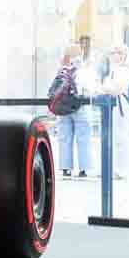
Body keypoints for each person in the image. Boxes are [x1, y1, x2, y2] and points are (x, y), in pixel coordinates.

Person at [98, 43, 129, 180]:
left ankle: (120, 169)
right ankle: (110, 168)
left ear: (122, 55)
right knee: (111, 137)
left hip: (120, 107)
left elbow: (117, 89)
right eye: (112, 52)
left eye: (116, 52)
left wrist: (105, 86)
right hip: (112, 106)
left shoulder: (124, 71)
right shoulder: (112, 70)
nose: (113, 55)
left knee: (120, 138)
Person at [51, 45, 94, 180]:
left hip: (63, 108)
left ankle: (66, 168)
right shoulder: (84, 70)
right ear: (79, 54)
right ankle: (83, 169)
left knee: (64, 137)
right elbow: (90, 88)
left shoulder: (60, 70)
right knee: (83, 138)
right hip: (80, 106)